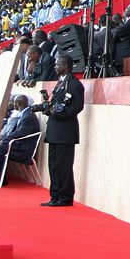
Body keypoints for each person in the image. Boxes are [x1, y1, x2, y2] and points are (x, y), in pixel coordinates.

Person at [37, 56, 85, 207]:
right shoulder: (61, 82)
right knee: (54, 165)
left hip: (65, 132)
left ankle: (65, 197)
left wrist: (57, 113)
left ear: (66, 66)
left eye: (58, 65)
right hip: (54, 130)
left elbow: (77, 107)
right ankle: (55, 195)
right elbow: (55, 103)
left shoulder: (74, 84)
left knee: (64, 166)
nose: (55, 67)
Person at [0, 94, 41, 186]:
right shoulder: (25, 113)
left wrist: (4, 140)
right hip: (18, 145)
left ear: (18, 103)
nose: (13, 105)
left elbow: (20, 133)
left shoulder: (29, 116)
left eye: (14, 103)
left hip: (24, 149)